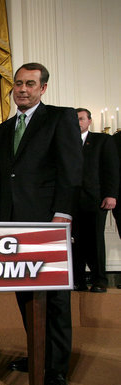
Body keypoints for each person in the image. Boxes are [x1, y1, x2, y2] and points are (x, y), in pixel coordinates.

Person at [0, 62, 83, 385]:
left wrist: (62, 213)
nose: (23, 89)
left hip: (49, 223)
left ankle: (56, 370)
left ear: (43, 88)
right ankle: (39, 356)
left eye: (30, 83)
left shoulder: (60, 118)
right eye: (18, 83)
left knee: (56, 300)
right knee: (26, 296)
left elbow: (71, 169)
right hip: (14, 227)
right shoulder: (3, 130)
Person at [72, 108, 118, 292]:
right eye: (75, 119)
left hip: (95, 200)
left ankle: (100, 280)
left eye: (81, 119)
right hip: (72, 201)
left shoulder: (102, 140)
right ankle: (78, 280)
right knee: (75, 241)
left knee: (95, 240)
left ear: (89, 121)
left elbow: (111, 169)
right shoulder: (66, 142)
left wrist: (111, 194)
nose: (78, 122)